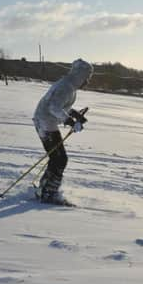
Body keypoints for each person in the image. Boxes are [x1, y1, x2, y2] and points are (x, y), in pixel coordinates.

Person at [32, 58, 94, 205]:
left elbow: (60, 105)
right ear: (80, 75)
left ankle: (45, 188)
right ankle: (49, 194)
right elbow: (53, 107)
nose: (88, 81)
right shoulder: (66, 86)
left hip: (46, 122)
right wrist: (69, 121)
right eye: (87, 77)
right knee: (60, 159)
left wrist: (73, 114)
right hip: (45, 122)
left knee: (57, 159)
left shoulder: (69, 85)